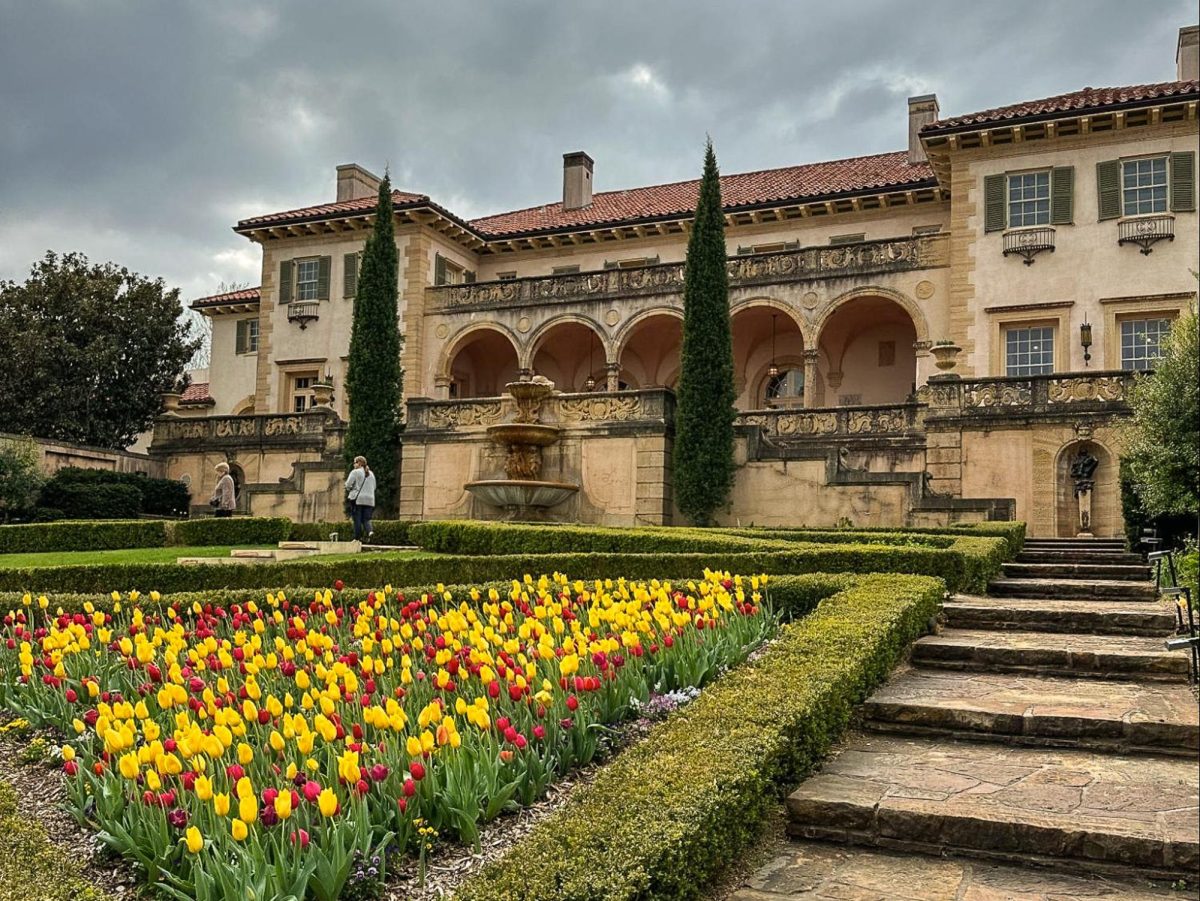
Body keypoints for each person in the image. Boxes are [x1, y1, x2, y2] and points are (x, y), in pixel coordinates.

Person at [345, 456, 376, 542]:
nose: (353, 464)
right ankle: (370, 531)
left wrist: (351, 489)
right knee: (366, 519)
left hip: (357, 499)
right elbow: (374, 487)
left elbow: (348, 485)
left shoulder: (355, 472)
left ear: (359, 463)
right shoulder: (371, 474)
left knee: (357, 519)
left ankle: (357, 538)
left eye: (354, 462)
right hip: (370, 500)